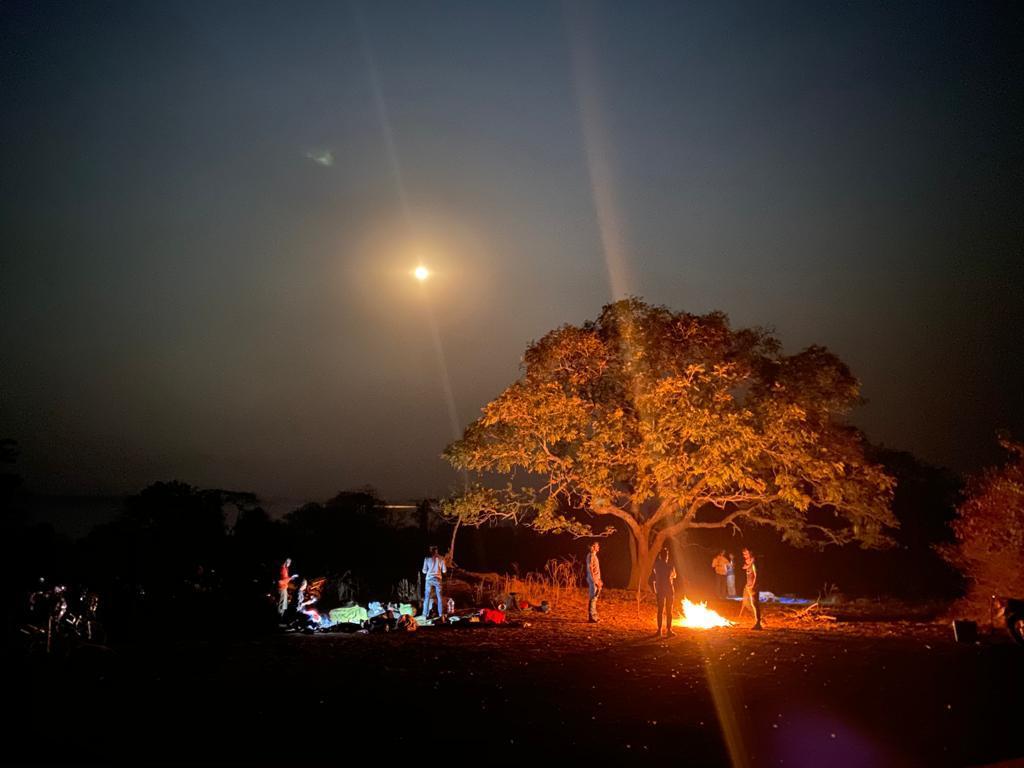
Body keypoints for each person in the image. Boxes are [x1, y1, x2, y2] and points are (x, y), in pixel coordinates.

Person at [648, 547, 677, 637]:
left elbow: (653, 576)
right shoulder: (670, 566)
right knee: (669, 611)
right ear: (667, 556)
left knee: (660, 610)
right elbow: (674, 576)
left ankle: (659, 630)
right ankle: (669, 630)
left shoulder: (656, 565)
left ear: (660, 556)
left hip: (660, 590)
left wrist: (655, 589)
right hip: (668, 589)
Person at [740, 548, 763, 630]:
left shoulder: (754, 563)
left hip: (753, 586)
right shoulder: (750, 563)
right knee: (753, 605)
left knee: (755, 604)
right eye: (744, 554)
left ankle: (758, 623)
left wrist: (753, 585)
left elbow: (756, 574)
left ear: (750, 553)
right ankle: (758, 621)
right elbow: (746, 567)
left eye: (746, 554)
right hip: (749, 586)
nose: (744, 556)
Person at [421, 545, 447, 619]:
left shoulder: (427, 558)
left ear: (431, 550)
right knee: (439, 597)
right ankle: (440, 614)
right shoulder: (441, 558)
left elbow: (424, 571)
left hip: (429, 579)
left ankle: (424, 614)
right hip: (438, 579)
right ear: (437, 550)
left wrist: (429, 570)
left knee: (427, 597)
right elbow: (444, 571)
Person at [585, 541, 603, 623]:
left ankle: (594, 616)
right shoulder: (591, 556)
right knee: (593, 598)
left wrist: (599, 580)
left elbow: (595, 570)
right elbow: (590, 569)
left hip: (595, 579)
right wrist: (595, 581)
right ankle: (592, 617)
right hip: (593, 580)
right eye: (597, 546)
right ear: (592, 547)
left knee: (594, 598)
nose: (598, 547)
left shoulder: (594, 556)